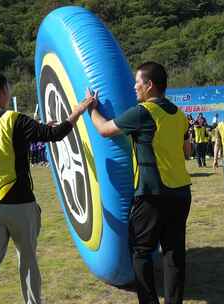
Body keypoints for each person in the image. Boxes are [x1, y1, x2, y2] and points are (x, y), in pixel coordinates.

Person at [0, 71, 92, 304]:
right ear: (4, 90)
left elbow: (3, 142)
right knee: (27, 261)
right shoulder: (15, 119)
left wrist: (37, 127)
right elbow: (55, 134)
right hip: (18, 202)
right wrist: (79, 109)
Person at [87, 62, 192, 304]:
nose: (135, 87)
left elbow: (104, 129)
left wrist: (91, 109)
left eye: (138, 82)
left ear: (149, 85)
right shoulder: (179, 114)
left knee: (141, 252)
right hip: (181, 193)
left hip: (152, 194)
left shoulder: (142, 112)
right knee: (173, 253)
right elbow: (186, 150)